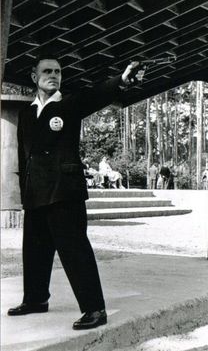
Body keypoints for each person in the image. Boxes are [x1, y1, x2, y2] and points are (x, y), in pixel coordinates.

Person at [7, 55, 145, 329]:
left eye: (57, 71)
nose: (53, 75)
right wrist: (25, 192)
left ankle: (95, 309)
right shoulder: (26, 114)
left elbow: (95, 95)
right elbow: (25, 158)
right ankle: (35, 299)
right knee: (34, 250)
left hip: (64, 191)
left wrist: (122, 80)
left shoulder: (69, 104)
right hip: (36, 193)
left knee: (75, 250)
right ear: (34, 77)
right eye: (47, 71)